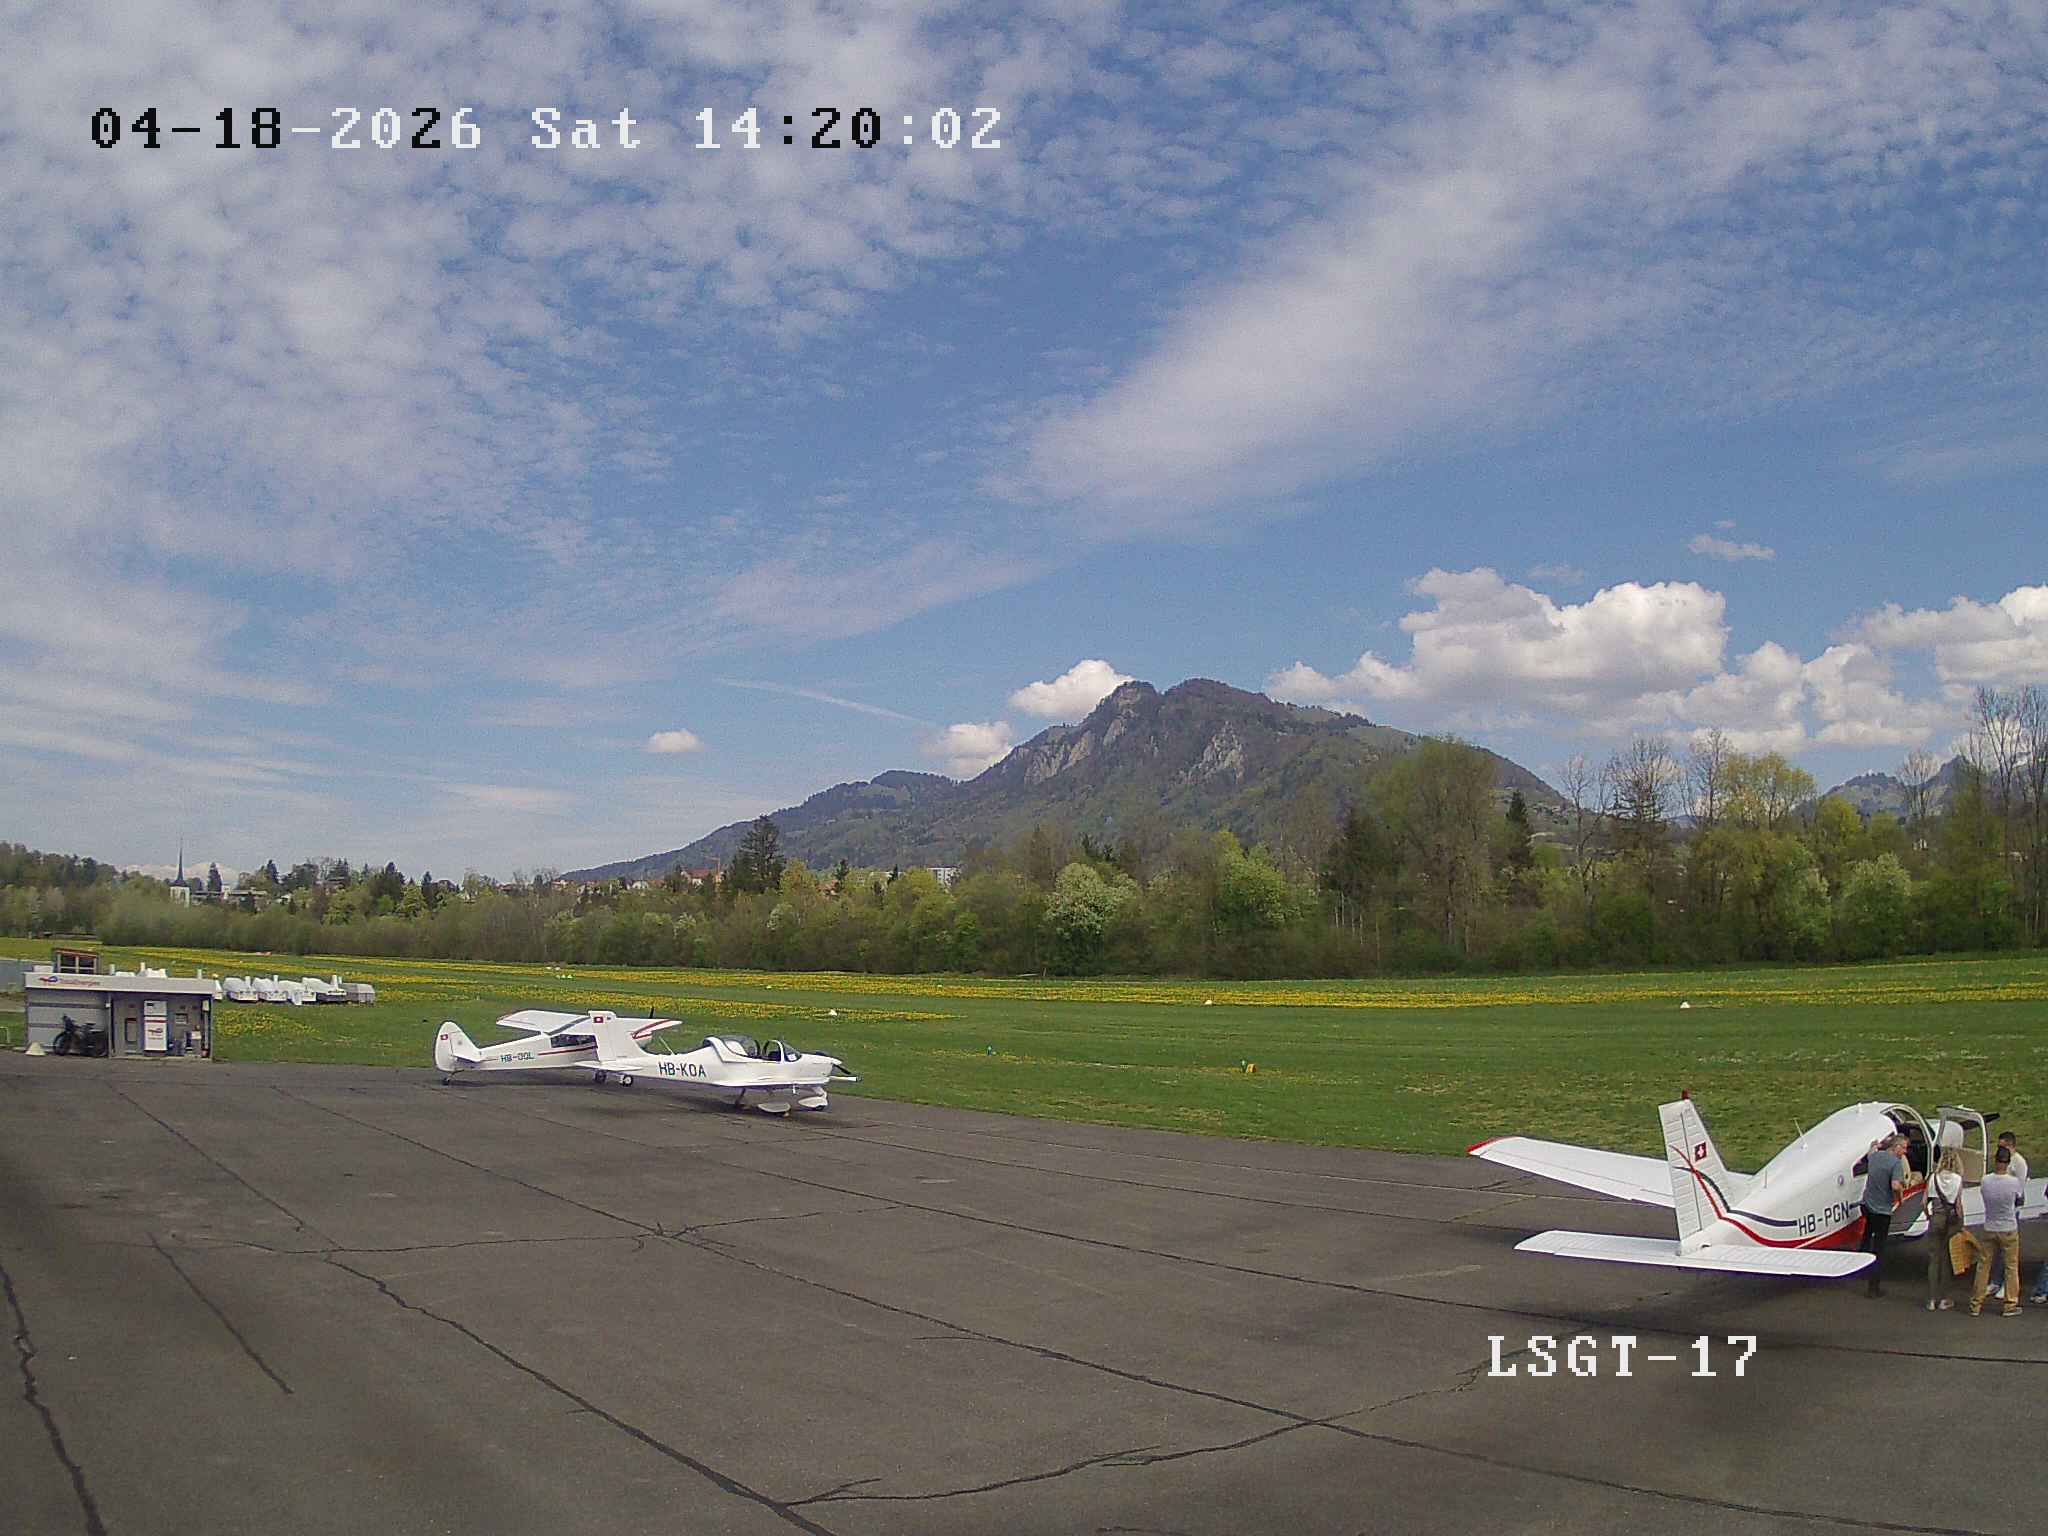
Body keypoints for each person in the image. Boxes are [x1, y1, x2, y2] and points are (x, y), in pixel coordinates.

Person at [1971, 1145, 2024, 1317]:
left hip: (1990, 1225)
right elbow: (2019, 1199)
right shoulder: (2013, 1182)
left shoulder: (1986, 1180)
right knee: (2011, 1267)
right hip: (2008, 1227)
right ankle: (2010, 1303)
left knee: (1983, 1266)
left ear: (1995, 1161)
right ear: (2008, 1163)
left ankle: (1976, 1303)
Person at [1860, 1132, 1908, 1297]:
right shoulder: (1896, 1164)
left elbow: (1871, 1150)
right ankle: (1874, 1287)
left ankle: (1859, 1267)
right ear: (1896, 1148)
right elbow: (1895, 1185)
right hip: (1882, 1210)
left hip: (1868, 1205)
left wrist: (1877, 1144)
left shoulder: (1875, 1157)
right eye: (1904, 1148)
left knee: (1867, 1236)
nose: (1905, 1152)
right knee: (1879, 1247)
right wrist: (1901, 1196)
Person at [1926, 1146, 1969, 1311]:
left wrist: (1929, 1216)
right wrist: (1961, 1223)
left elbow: (1924, 1202)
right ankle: (1944, 1298)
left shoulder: (1933, 1178)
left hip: (1935, 1219)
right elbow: (1958, 1206)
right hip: (1950, 1222)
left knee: (1933, 1259)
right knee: (1947, 1259)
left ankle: (1931, 1299)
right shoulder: (1958, 1180)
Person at [1987, 1132, 2027, 1299]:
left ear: (2011, 1146)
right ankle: (1995, 1281)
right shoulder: (2002, 1162)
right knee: (1996, 1249)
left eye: (2002, 1146)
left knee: (2008, 1251)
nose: (1999, 1150)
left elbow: (2019, 1189)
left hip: (2011, 1209)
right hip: (1999, 1208)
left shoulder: (2019, 1163)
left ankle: (2005, 1284)